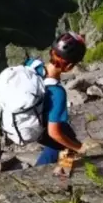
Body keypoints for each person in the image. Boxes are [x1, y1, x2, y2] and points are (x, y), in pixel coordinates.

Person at [30, 32, 94, 168]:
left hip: (29, 117)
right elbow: (54, 133)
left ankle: (53, 173)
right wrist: (80, 148)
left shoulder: (32, 65)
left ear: (51, 52)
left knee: (66, 136)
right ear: (70, 66)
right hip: (43, 128)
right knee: (67, 145)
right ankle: (61, 178)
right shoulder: (57, 93)